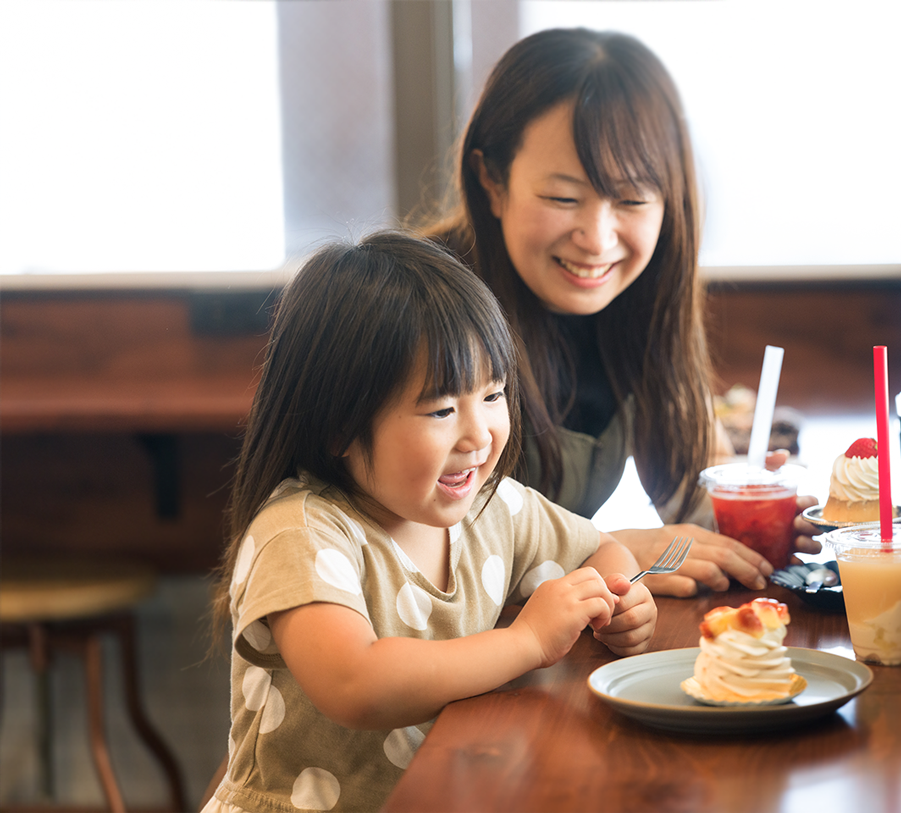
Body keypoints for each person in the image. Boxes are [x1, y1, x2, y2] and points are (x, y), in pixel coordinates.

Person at [202, 231, 657, 813]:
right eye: (441, 409)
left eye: (493, 396)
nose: (478, 434)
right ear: (339, 425)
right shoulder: (300, 533)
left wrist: (622, 601)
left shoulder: (493, 509)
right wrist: (526, 641)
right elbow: (356, 684)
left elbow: (601, 551)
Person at [416, 27, 820, 597]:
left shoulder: (640, 305)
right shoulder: (417, 314)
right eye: (563, 197)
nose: (597, 239)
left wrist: (751, 512)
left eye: (631, 199)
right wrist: (606, 550)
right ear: (492, 180)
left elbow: (695, 486)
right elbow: (405, 553)